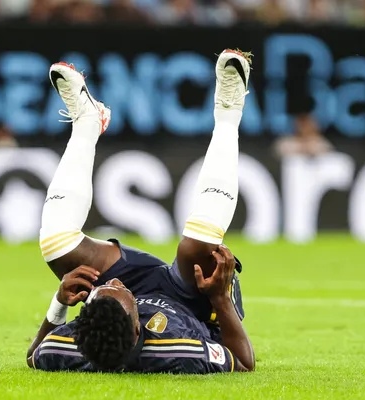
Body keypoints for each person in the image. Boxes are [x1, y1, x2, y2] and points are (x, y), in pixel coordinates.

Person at [26, 49, 255, 373]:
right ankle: (229, 111)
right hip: (197, 301)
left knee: (56, 245)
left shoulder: (77, 344)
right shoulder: (177, 350)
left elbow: (35, 356)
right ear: (138, 328)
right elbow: (244, 363)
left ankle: (88, 122)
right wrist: (221, 299)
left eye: (105, 290)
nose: (118, 283)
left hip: (134, 295)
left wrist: (60, 303)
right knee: (198, 246)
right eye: (120, 292)